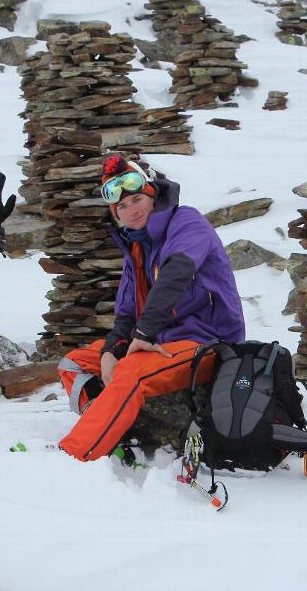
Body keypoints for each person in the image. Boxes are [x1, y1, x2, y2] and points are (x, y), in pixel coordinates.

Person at [57, 155, 246, 461]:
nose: (131, 210)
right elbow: (127, 313)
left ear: (152, 193)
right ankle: (108, 427)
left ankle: (75, 455)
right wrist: (111, 350)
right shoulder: (136, 248)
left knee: (130, 371)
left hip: (207, 341)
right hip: (162, 341)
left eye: (135, 199)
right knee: (75, 362)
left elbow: (177, 273)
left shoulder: (186, 221)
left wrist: (144, 332)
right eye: (121, 206)